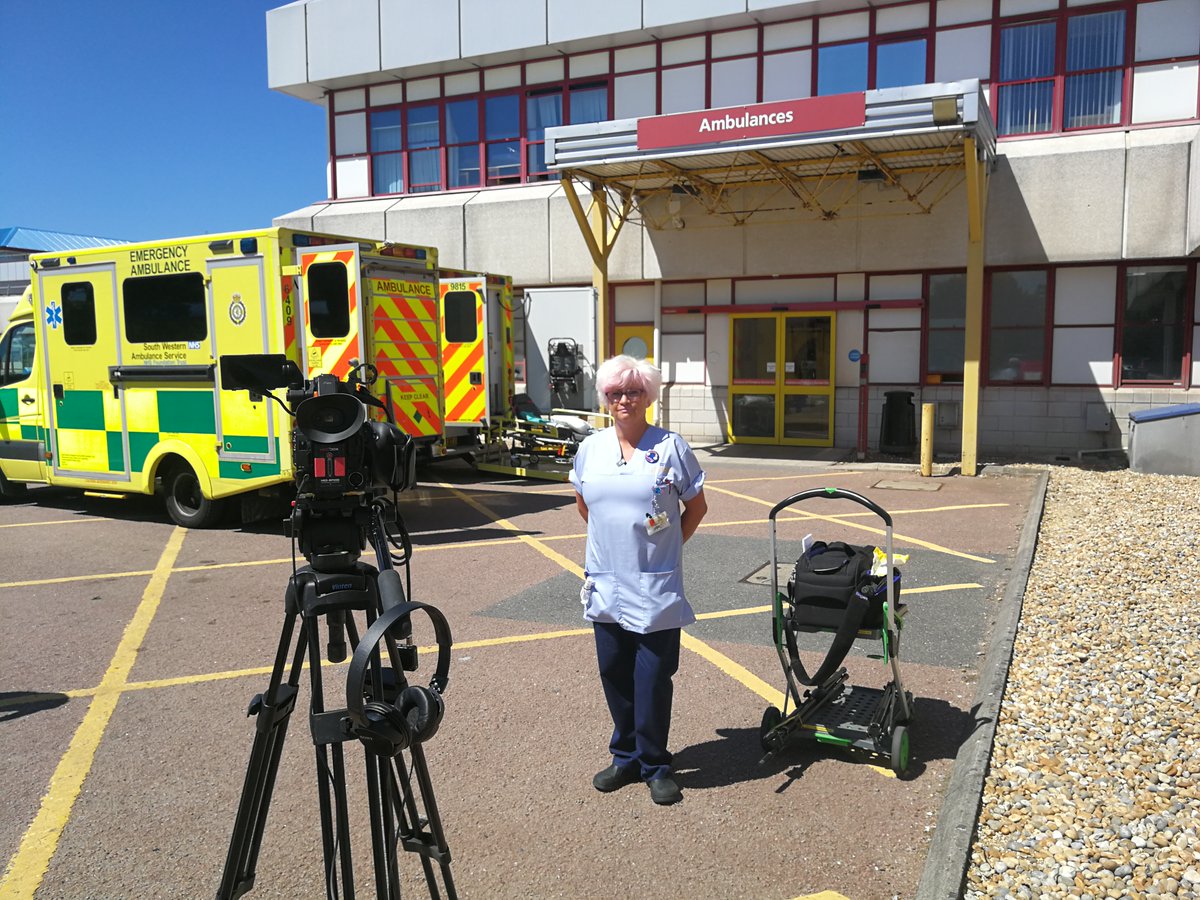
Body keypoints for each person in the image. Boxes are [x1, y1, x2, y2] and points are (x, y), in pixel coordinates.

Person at [568, 355, 708, 805]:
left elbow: (696, 507)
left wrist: (668, 547)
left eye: (633, 391)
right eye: (615, 392)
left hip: (654, 583)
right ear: (604, 398)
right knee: (614, 673)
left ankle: (655, 764)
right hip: (606, 581)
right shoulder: (591, 448)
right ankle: (625, 757)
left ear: (648, 396)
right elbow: (584, 504)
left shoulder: (671, 447)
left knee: (652, 678)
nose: (624, 399)